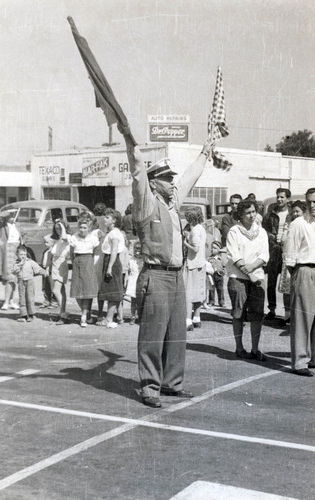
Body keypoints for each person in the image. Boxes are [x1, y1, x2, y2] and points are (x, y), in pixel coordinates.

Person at [119, 121, 212, 408]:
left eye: (173, 179)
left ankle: (172, 383)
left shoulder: (172, 203)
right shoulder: (146, 202)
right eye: (168, 179)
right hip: (155, 277)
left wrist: (204, 153)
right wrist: (131, 147)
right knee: (153, 335)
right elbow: (137, 176)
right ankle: (150, 387)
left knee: (176, 334)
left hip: (176, 277)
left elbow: (190, 178)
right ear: (155, 182)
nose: (174, 183)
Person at [285, 188, 315, 377]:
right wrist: (297, 275)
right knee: (303, 318)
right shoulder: (298, 224)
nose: (312, 205)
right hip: (305, 270)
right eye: (309, 201)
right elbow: (290, 253)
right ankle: (300, 362)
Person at [226, 200, 269, 360]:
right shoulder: (234, 231)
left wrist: (252, 270)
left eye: (253, 212)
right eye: (247, 213)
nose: (251, 216)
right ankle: (239, 348)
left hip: (257, 278)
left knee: (257, 314)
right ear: (241, 215)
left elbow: (265, 255)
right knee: (238, 314)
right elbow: (234, 255)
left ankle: (255, 349)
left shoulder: (262, 232)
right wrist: (248, 273)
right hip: (238, 278)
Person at [262, 188, 292, 320]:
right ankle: (272, 309)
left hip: (288, 249)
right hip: (273, 249)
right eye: (278, 197)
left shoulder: (293, 213)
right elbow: (263, 230)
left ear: (288, 199)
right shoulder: (270, 213)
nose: (279, 199)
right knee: (271, 281)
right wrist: (271, 236)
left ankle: (288, 312)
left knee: (288, 281)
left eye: (282, 197)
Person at [278, 200, 307, 325]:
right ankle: (287, 314)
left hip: (300, 260)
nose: (295, 214)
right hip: (288, 259)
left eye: (298, 212)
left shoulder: (306, 225)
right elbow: (283, 241)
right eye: (293, 211)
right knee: (287, 288)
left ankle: (298, 316)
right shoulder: (289, 224)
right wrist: (286, 228)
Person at [69, 214, 100, 327]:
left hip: (88, 263)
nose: (82, 230)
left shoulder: (93, 239)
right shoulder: (74, 237)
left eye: (84, 228)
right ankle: (86, 314)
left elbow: (97, 253)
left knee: (87, 291)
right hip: (77, 262)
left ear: (89, 228)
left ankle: (83, 316)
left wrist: (92, 265)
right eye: (80, 227)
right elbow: (71, 253)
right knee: (77, 291)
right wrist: (74, 263)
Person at [97, 208, 125, 328]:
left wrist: (109, 267)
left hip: (112, 261)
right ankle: (117, 317)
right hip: (109, 260)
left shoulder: (114, 234)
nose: (104, 219)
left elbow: (114, 251)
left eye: (107, 217)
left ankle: (109, 319)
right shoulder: (112, 232)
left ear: (114, 220)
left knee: (112, 292)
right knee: (111, 290)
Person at [183, 206, 207, 331]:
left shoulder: (195, 231)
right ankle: (196, 318)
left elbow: (195, 248)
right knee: (198, 292)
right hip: (201, 264)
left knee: (189, 293)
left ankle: (187, 320)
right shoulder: (201, 228)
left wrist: (185, 242)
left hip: (192, 264)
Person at [11, 245, 47, 322]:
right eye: (21, 255)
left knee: (30, 298)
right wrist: (19, 265)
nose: (23, 256)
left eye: (24, 254)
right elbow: (13, 271)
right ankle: (23, 314)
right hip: (21, 281)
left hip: (30, 281)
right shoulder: (16, 263)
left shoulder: (30, 261)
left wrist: (43, 271)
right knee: (22, 298)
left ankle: (31, 314)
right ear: (17, 255)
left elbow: (37, 268)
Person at [0, 210, 22, 310]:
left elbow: (23, 235)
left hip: (16, 250)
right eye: (10, 215)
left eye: (14, 215)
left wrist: (22, 245)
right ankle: (6, 302)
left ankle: (11, 301)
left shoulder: (17, 225)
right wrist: (9, 211)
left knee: (14, 277)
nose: (12, 216)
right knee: (9, 277)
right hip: (8, 249)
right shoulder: (2, 225)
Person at [50, 219, 71, 325]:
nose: (57, 230)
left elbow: (65, 237)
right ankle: (62, 313)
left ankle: (63, 313)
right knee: (61, 290)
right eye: (56, 228)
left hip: (61, 265)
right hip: (55, 265)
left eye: (60, 228)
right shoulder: (58, 240)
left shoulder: (67, 238)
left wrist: (62, 225)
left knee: (56, 290)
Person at [125, 240, 143, 325]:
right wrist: (126, 280)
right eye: (136, 249)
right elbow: (128, 271)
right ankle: (132, 316)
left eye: (139, 249)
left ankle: (140, 316)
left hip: (140, 281)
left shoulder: (144, 260)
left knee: (141, 300)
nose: (137, 251)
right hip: (133, 281)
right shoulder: (131, 260)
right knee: (133, 301)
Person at [207, 240, 226, 307]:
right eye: (212, 248)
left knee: (220, 289)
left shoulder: (221, 259)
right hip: (211, 276)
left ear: (219, 250)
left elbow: (224, 267)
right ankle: (211, 301)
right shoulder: (209, 258)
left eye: (215, 248)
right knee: (211, 289)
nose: (212, 249)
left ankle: (221, 302)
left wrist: (222, 272)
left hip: (219, 275)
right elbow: (206, 266)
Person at [40, 235, 56, 309]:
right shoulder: (45, 252)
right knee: (45, 286)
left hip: (50, 271)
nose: (45, 244)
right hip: (44, 271)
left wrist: (48, 269)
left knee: (52, 286)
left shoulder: (53, 252)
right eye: (44, 242)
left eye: (47, 242)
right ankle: (47, 300)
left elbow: (51, 262)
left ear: (52, 243)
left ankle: (54, 301)